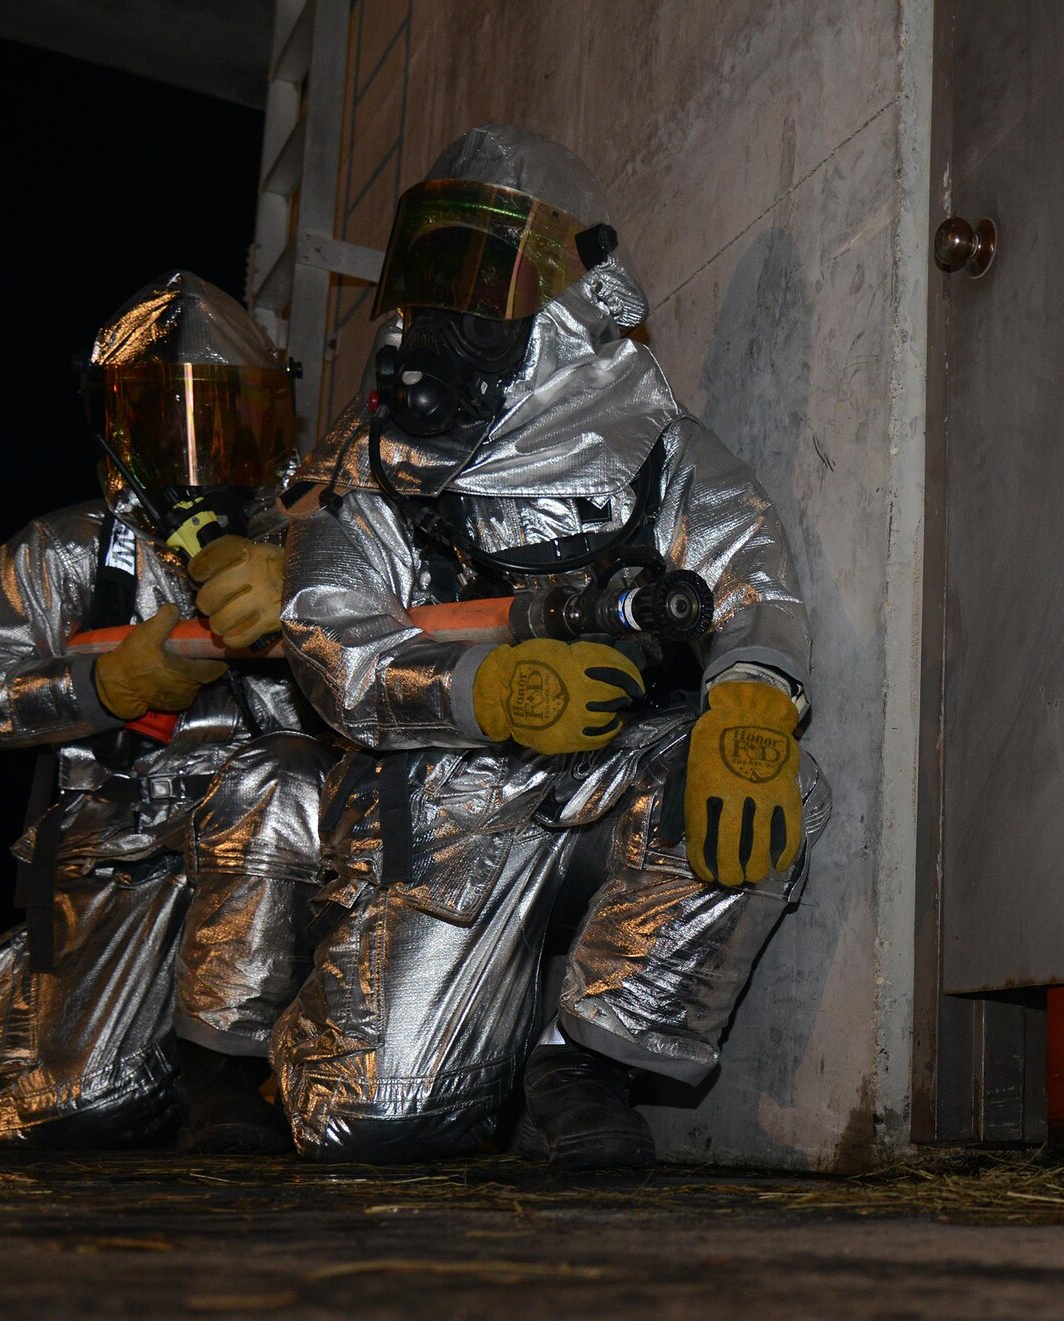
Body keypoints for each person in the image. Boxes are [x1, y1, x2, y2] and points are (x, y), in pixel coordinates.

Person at [273, 124, 829, 1168]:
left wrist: (750, 696)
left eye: (479, 267)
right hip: (439, 808)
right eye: (425, 265)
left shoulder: (657, 450)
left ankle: (579, 1064)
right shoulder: (360, 470)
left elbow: (750, 580)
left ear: (567, 286)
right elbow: (327, 642)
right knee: (372, 1124)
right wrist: (482, 691)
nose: (442, 301)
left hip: (613, 783)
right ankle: (436, 1036)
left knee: (761, 780)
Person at [0, 272, 327, 1152]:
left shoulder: (311, 543)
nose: (202, 448)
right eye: (170, 420)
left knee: (282, 780)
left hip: (272, 846)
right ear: (120, 428)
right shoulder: (64, 551)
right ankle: (116, 1050)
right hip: (118, 851)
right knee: (77, 1112)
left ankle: (227, 1071)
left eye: (228, 418)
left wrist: (301, 594)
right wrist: (103, 689)